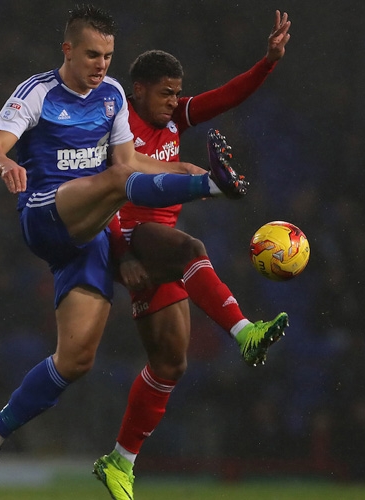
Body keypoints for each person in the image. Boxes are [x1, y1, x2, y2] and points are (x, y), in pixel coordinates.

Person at [0, 5, 269, 498]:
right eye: (91, 54)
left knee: (75, 361)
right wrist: (4, 166)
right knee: (116, 180)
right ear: (67, 50)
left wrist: (186, 169)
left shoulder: (111, 97)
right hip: (46, 213)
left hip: (87, 239)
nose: (101, 64)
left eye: (108, 55)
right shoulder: (38, 92)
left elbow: (131, 162)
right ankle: (216, 191)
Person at [92, 11, 292, 499]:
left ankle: (120, 461)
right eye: (165, 93)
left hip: (155, 243)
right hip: (127, 233)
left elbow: (226, 96)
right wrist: (120, 255)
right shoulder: (118, 125)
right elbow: (101, 193)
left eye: (178, 93)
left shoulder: (176, 117)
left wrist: (267, 62)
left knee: (169, 363)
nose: (174, 102)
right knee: (191, 248)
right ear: (138, 90)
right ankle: (245, 333)